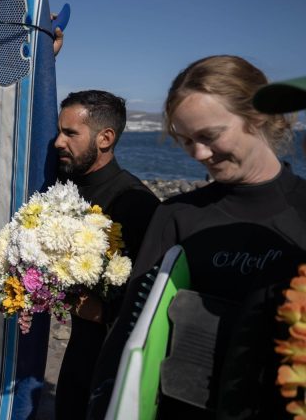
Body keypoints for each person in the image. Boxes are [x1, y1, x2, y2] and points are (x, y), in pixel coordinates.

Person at [89, 55, 306, 419]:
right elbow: (130, 333)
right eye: (185, 140)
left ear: (258, 118)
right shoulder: (177, 216)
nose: (199, 154)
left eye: (209, 136)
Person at [49, 90, 160, 419]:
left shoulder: (136, 203)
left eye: (70, 133)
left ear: (105, 138)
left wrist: (103, 308)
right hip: (78, 350)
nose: (57, 142)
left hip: (115, 361)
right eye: (59, 131)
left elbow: (151, 296)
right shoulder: (62, 185)